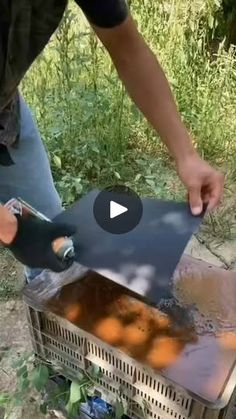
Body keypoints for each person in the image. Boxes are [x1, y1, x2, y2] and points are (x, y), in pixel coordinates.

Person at [0, 0, 224, 280]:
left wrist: (186, 155)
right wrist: (9, 228)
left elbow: (127, 48)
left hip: (6, 113)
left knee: (52, 239)